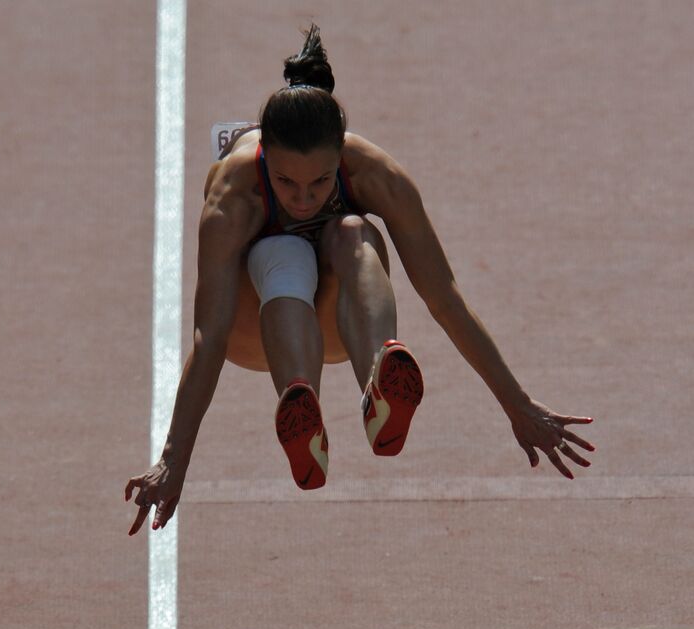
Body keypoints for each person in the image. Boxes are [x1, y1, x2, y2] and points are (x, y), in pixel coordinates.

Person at [125, 23, 595, 535]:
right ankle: (299, 402)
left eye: (320, 181)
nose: (303, 198)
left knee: (354, 229)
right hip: (252, 327)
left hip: (340, 320)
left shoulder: (376, 175)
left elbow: (444, 298)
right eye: (285, 181)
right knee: (283, 251)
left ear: (341, 155)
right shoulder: (232, 197)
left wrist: (518, 404)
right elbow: (208, 337)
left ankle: (378, 381)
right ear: (264, 157)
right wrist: (174, 459)